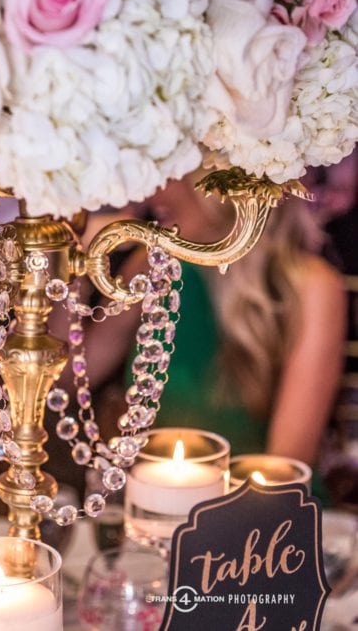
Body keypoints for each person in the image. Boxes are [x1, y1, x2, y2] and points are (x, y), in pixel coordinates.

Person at [68, 173, 346, 481]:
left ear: (226, 177)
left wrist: (202, 512)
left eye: (174, 174)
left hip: (262, 504)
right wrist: (70, 261)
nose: (152, 191)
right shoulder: (152, 266)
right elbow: (70, 376)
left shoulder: (310, 286)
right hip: (159, 498)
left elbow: (285, 469)